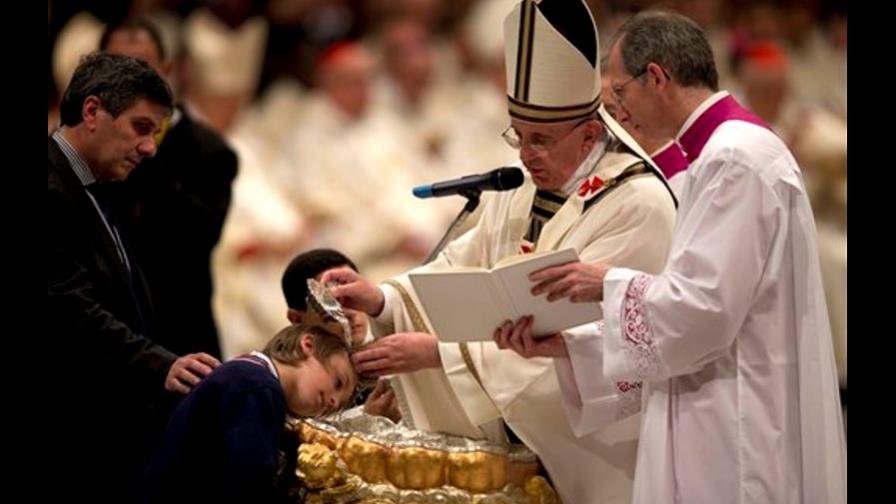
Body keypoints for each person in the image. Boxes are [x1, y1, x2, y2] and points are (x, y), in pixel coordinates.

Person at [322, 1, 677, 501]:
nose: (525, 154)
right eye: (518, 135)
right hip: (504, 425)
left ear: (591, 135)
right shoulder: (522, 183)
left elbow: (586, 345)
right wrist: (382, 299)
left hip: (597, 449)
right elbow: (456, 267)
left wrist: (439, 356)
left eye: (541, 139)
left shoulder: (638, 204)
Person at [498, 10, 846, 503]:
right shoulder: (728, 153)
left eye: (619, 93)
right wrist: (569, 346)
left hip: (735, 423)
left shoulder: (734, 160)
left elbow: (702, 310)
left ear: (656, 78)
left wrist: (608, 282)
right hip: (719, 402)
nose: (617, 113)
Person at [48, 52, 220, 499]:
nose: (151, 147)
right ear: (92, 112)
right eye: (141, 127)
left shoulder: (100, 183)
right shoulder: (51, 191)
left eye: (157, 132)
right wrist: (160, 364)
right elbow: (70, 310)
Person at [100, 18, 238, 360]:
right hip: (98, 336)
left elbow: (193, 243)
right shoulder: (80, 150)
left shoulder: (210, 153)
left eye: (142, 67)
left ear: (166, 70)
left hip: (179, 337)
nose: (130, 80)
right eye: (118, 67)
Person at [142, 324, 358, 502]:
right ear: (307, 345)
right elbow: (250, 485)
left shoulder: (248, 376)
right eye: (338, 382)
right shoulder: (257, 388)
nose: (333, 401)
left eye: (339, 405)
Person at [281, 248, 401, 423]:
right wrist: (367, 424)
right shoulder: (294, 381)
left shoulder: (396, 356)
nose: (350, 312)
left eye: (354, 296)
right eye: (331, 303)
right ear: (297, 319)